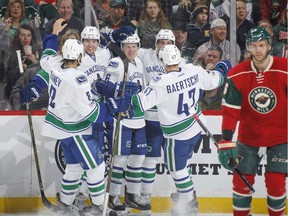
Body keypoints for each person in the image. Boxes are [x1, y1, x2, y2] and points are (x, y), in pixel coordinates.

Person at [36, 19, 131, 215]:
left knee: (74, 168)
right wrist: (114, 105)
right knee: (96, 168)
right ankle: (98, 208)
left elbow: (46, 54)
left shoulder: (54, 64)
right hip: (77, 130)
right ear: (79, 56)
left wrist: (54, 34)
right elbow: (92, 113)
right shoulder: (76, 80)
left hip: (62, 130)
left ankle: (65, 204)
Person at [130, 44, 230, 215]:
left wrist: (126, 94)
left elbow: (139, 104)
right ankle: (185, 194)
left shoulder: (160, 82)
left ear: (162, 62)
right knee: (183, 165)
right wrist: (223, 67)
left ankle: (189, 204)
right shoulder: (193, 70)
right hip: (196, 127)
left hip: (177, 135)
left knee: (176, 169)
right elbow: (216, 80)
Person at [217, 26, 287, 215]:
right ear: (248, 47)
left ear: (269, 46)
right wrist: (226, 139)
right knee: (240, 183)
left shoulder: (285, 69)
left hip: (280, 137)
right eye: (254, 46)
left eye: (261, 45)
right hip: (249, 138)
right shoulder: (238, 73)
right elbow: (231, 111)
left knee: (275, 182)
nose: (258, 50)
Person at [102, 33, 150, 213]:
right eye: (128, 46)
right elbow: (103, 87)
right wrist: (117, 100)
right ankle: (113, 195)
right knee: (119, 160)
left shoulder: (139, 62)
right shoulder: (116, 63)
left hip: (139, 118)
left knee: (139, 157)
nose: (131, 50)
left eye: (134, 46)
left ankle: (132, 195)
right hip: (122, 120)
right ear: (122, 48)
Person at [4, 24, 42, 102]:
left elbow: (44, 75)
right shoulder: (11, 53)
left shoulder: (38, 52)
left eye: (28, 35)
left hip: (35, 94)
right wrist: (19, 69)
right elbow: (8, 78)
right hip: (15, 93)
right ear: (18, 37)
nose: (26, 38)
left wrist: (36, 63)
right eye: (23, 35)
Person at [197, 45, 226, 110]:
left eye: (214, 57)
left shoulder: (222, 72)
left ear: (219, 60)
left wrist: (208, 71)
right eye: (209, 55)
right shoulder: (199, 70)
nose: (211, 58)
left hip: (216, 107)